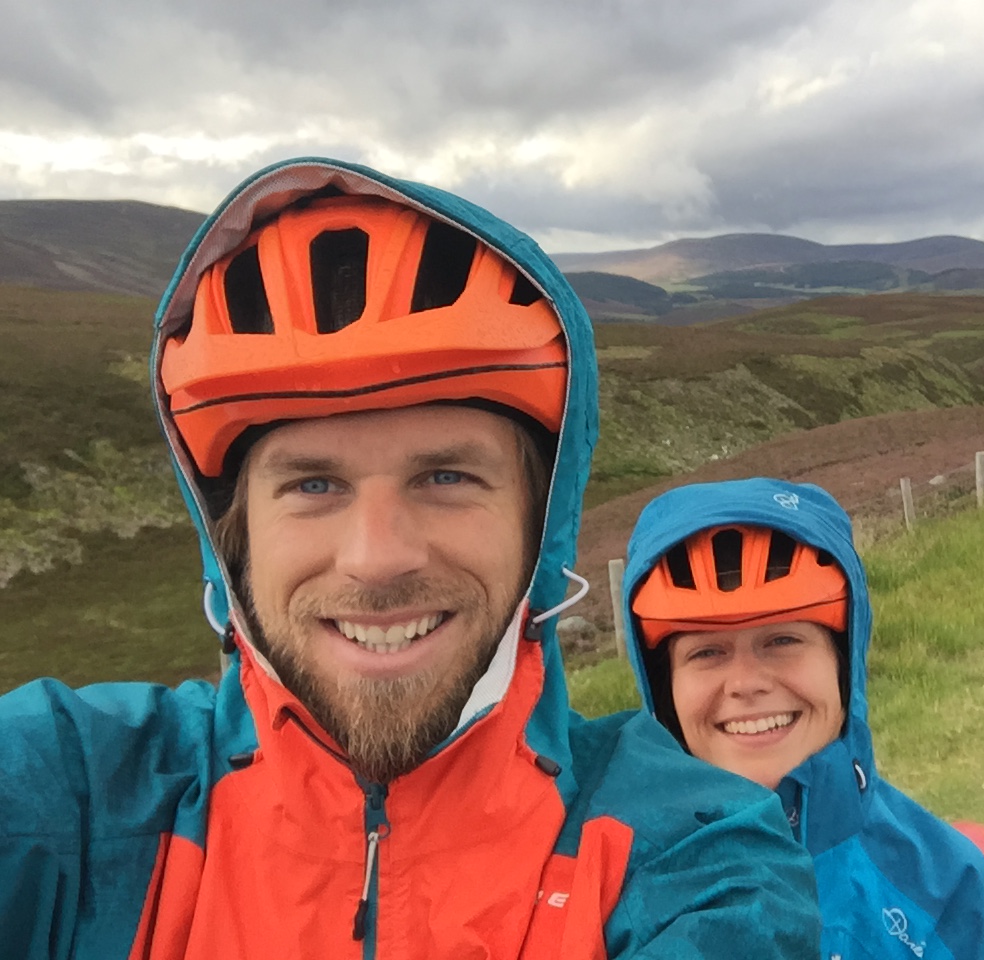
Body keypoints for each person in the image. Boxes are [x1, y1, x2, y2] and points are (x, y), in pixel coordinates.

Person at [0, 159, 821, 958]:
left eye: (446, 476)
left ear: (538, 532)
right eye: (314, 483)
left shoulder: (692, 851)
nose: (376, 558)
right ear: (236, 537)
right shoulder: (72, 789)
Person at [623, 476, 984, 960]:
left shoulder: (949, 885)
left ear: (843, 662)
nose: (745, 682)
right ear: (664, 688)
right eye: (707, 651)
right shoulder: (603, 880)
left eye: (782, 641)